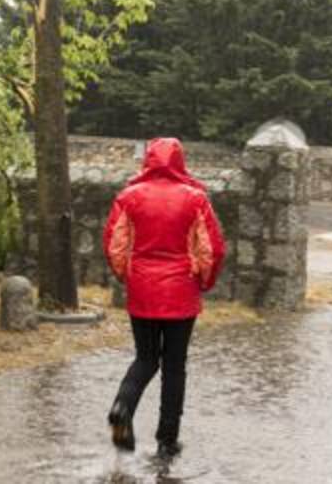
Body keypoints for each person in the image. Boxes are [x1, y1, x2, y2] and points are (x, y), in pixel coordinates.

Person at [102, 137, 226, 460]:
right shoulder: (195, 198)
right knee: (174, 366)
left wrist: (128, 277)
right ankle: (167, 440)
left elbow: (114, 246)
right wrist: (202, 281)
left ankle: (122, 405)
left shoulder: (129, 196)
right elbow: (211, 249)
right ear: (179, 161)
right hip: (180, 292)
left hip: (142, 288)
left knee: (145, 358)